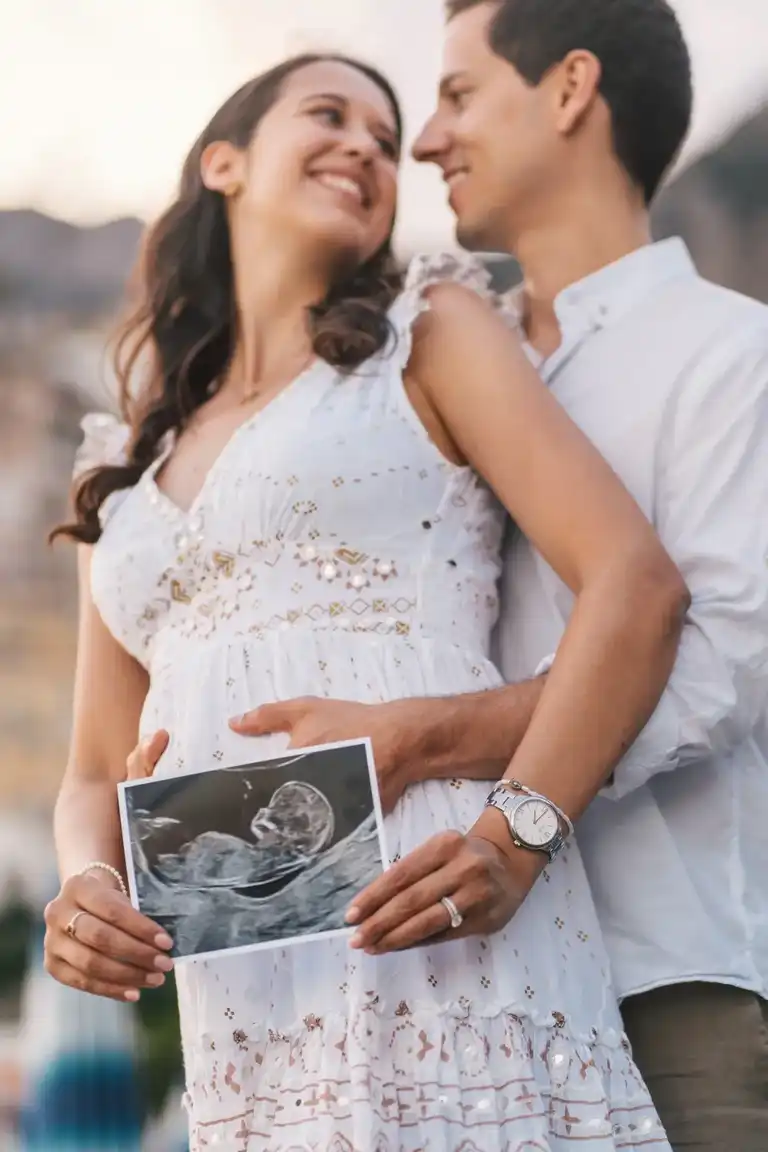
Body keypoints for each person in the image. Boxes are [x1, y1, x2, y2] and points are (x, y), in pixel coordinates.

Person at [43, 51, 688, 1151]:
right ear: (225, 162)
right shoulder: (123, 460)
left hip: (443, 915)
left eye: (386, 143)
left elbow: (636, 585)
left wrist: (513, 839)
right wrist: (86, 884)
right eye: (329, 115)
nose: (367, 148)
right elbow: (96, 770)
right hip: (245, 983)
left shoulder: (428, 331)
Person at [226, 4, 768, 1149]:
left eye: (459, 96)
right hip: (429, 995)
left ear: (570, 89)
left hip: (656, 983)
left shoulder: (734, 358)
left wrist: (425, 740)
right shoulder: (408, 370)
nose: (426, 142)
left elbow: (717, 667)